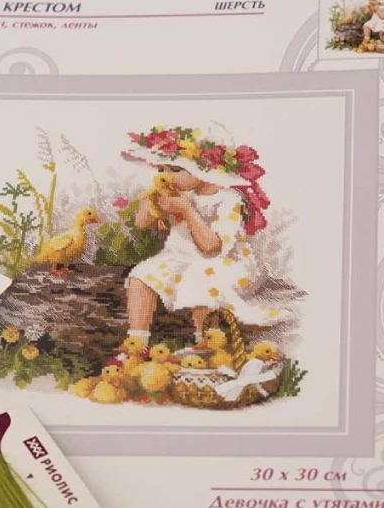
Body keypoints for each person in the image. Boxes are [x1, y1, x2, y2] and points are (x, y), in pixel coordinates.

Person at [120, 125, 287, 350]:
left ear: (206, 170)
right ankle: (136, 344)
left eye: (175, 169)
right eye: (161, 169)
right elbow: (141, 223)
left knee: (197, 277)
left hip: (224, 262)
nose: (166, 176)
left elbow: (211, 247)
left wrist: (187, 210)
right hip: (179, 258)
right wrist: (154, 198)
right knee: (140, 275)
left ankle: (207, 342)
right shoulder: (177, 192)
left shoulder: (227, 199)